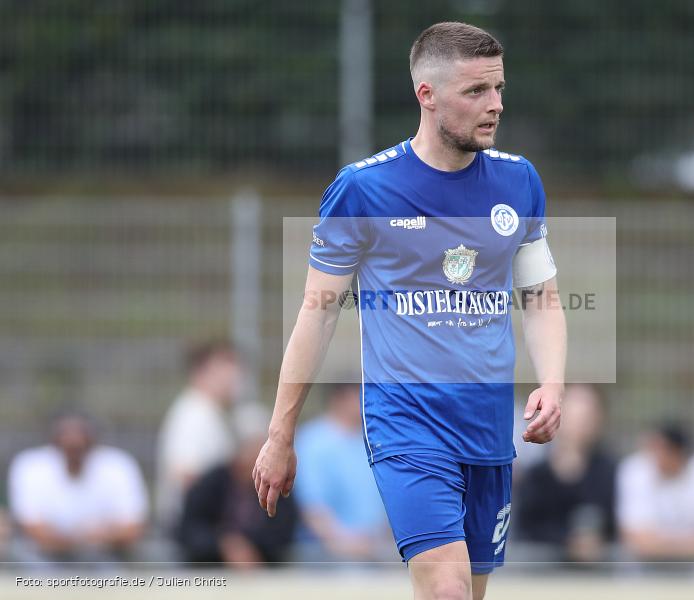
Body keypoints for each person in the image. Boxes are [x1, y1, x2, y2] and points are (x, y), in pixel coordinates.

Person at [253, 22, 567, 600]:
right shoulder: (363, 189)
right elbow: (317, 313)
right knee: (447, 590)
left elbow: (541, 297)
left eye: (499, 88)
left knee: (467, 593)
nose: (495, 104)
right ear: (427, 95)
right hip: (407, 425)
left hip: (489, 429)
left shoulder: (518, 180)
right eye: (476, 91)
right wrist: (280, 434)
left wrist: (552, 383)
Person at [7, 409, 148, 564]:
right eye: (67, 438)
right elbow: (33, 530)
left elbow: (132, 529)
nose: (74, 443)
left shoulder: (118, 465)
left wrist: (86, 539)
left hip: (106, 556)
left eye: (80, 438)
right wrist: (87, 538)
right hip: (44, 558)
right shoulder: (31, 465)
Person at [515, 384, 616, 563]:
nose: (579, 424)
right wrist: (567, 542)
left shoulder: (610, 473)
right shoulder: (536, 477)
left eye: (586, 416)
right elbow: (524, 530)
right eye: (574, 415)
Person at [294, 382, 391, 561]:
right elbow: (312, 507)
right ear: (339, 399)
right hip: (327, 552)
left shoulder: (374, 439)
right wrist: (347, 544)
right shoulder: (312, 440)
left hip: (376, 549)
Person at [156, 340, 244, 531]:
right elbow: (185, 475)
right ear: (199, 372)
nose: (234, 373)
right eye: (225, 364)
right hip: (195, 531)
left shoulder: (211, 412)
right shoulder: (193, 414)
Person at [177, 431, 297, 569]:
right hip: (210, 569)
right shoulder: (212, 483)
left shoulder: (277, 488)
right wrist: (225, 543)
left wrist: (249, 546)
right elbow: (190, 528)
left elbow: (282, 533)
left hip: (263, 569)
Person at [617, 421, 694, 560]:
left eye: (661, 449)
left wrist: (658, 544)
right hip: (646, 566)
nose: (653, 457)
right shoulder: (635, 470)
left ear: (679, 451)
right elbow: (635, 539)